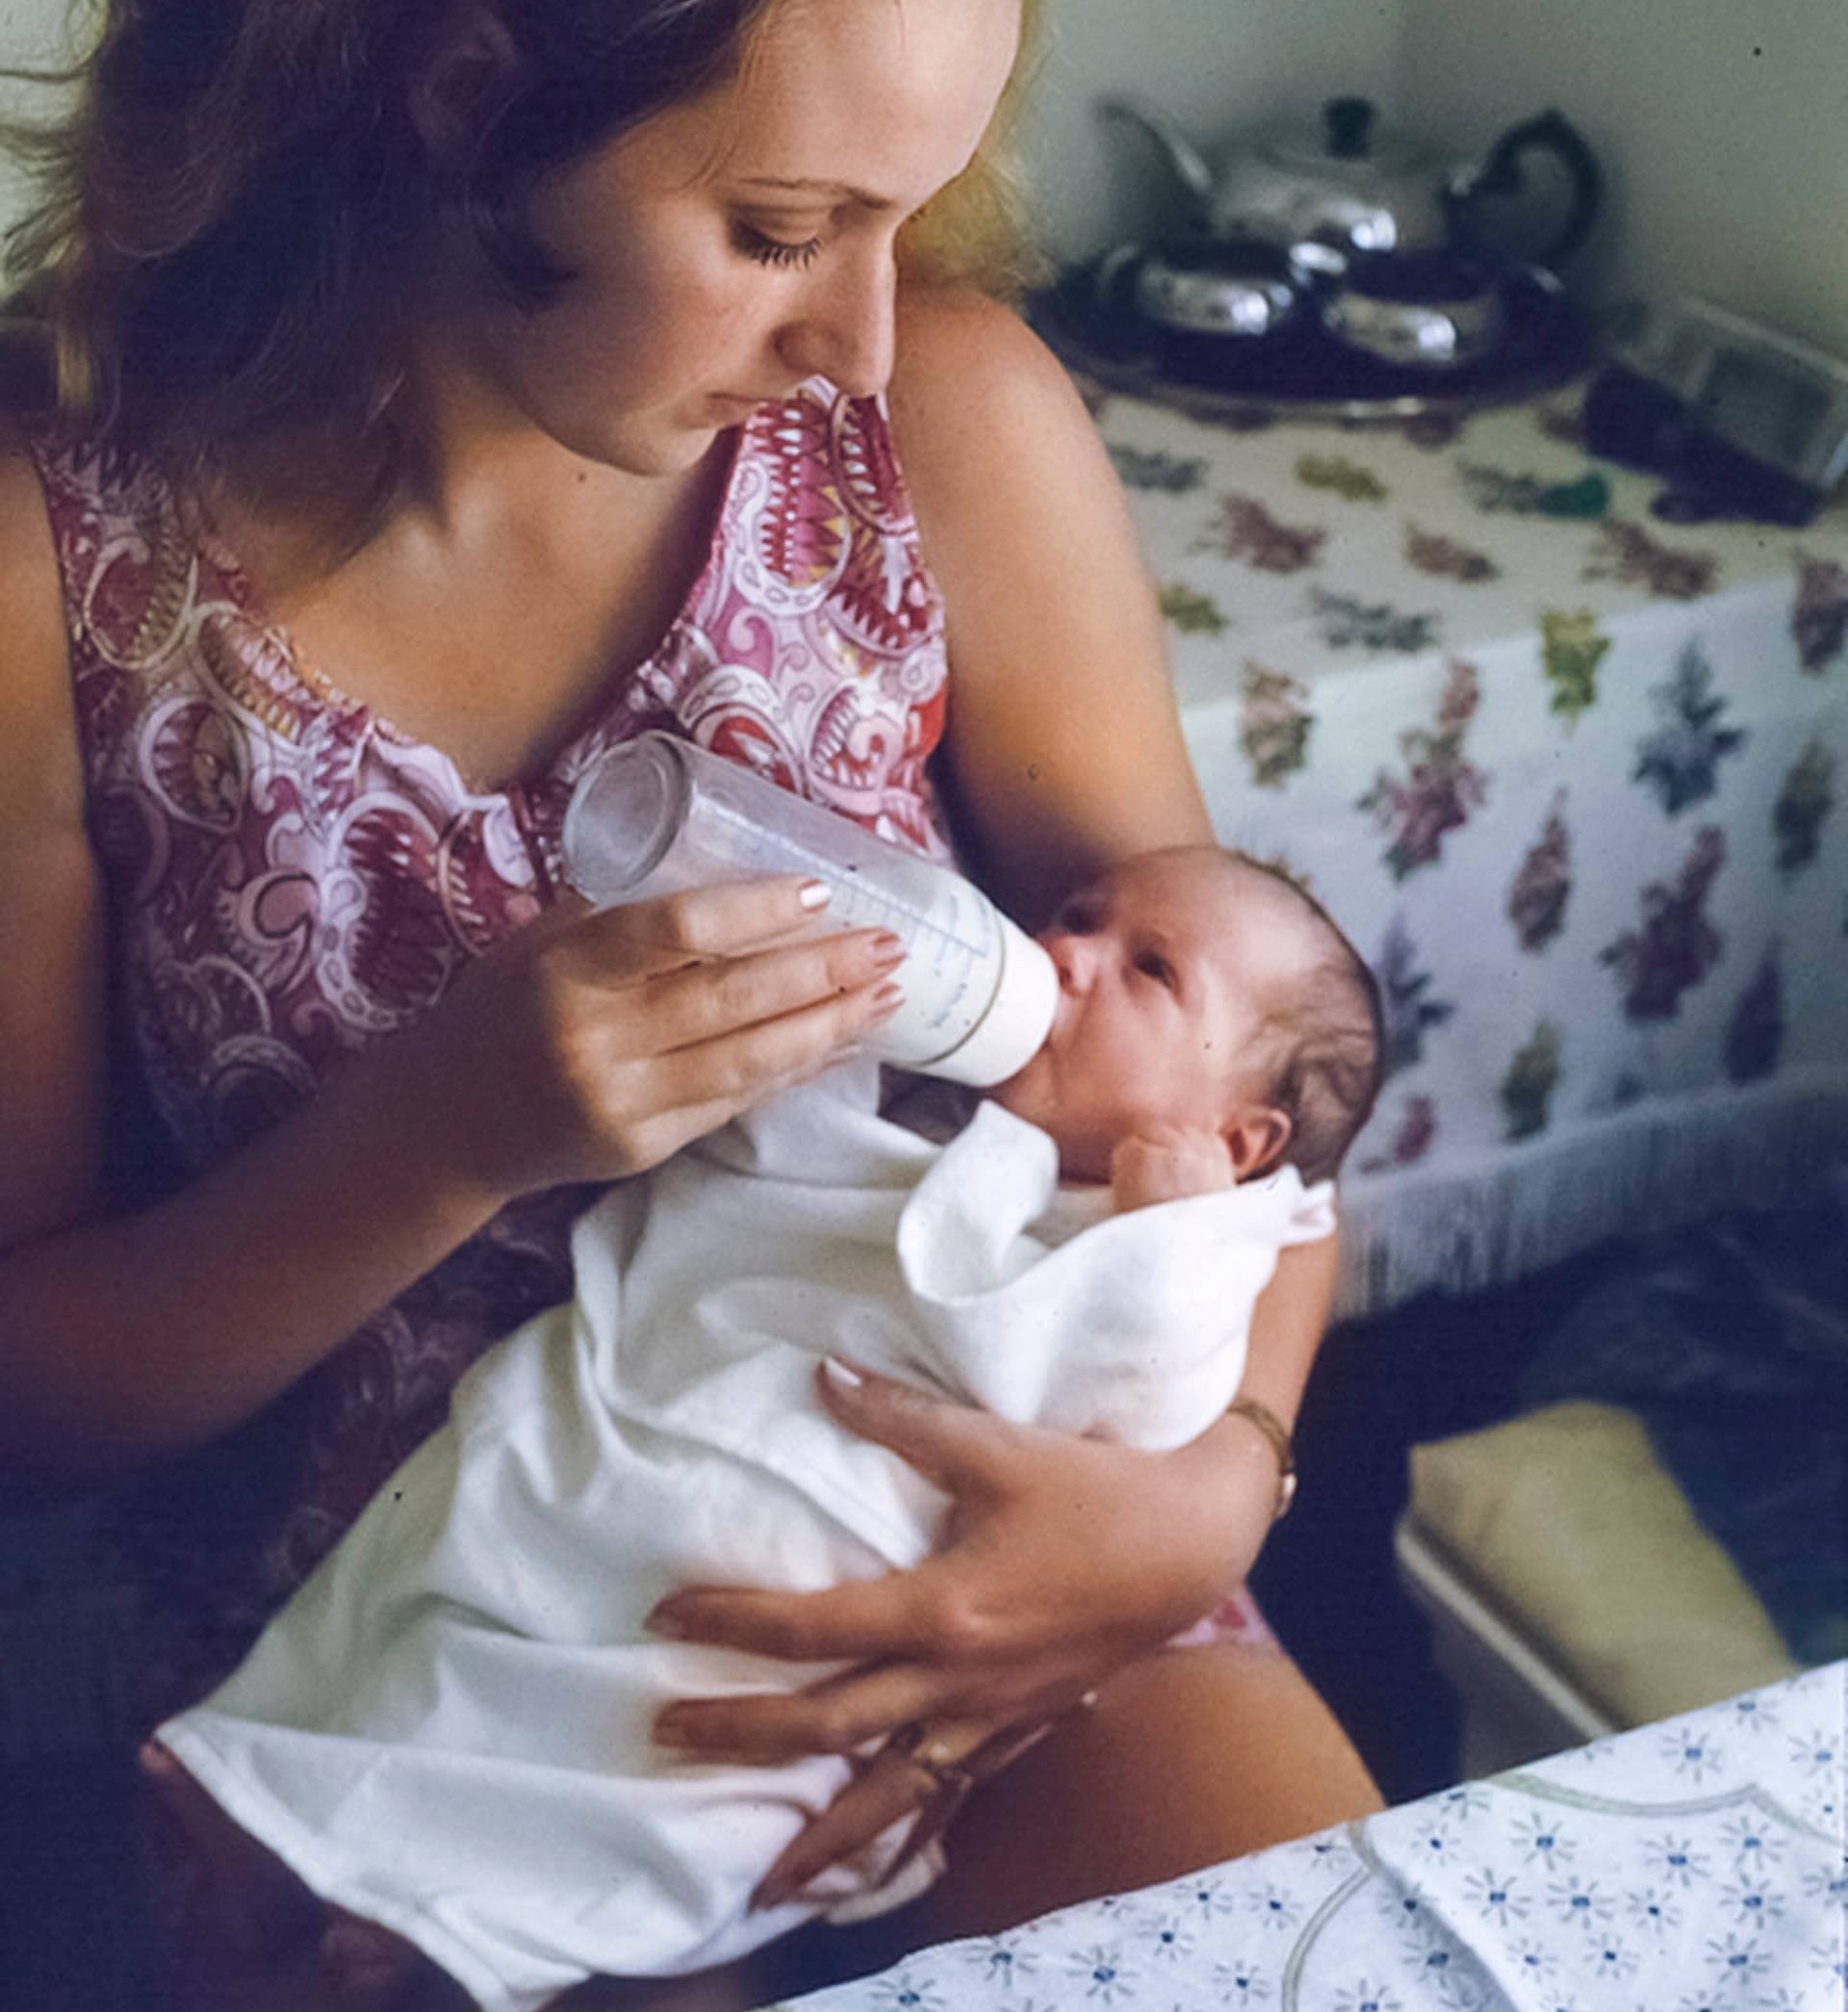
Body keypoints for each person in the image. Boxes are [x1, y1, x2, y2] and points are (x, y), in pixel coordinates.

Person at [0, 0, 1381, 2004]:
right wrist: (439, 1134)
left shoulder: (943, 431)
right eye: (778, 229)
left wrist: (1201, 1495)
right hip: (418, 1669)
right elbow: (32, 1395)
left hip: (966, 1556)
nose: (858, 335)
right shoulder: (61, 563)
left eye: (907, 211)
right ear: (465, 90)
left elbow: (1260, 1089)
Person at [142, 845, 1384, 2011]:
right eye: (1078, 918)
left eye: (1148, 971)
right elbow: (769, 1188)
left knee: (667, 1759)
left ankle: (453, 1927)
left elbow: (1154, 1399)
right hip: (640, 1455)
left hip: (838, 1591)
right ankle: (289, 1808)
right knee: (489, 1596)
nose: (1066, 954)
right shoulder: (930, 1126)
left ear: (1240, 1140)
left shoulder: (1202, 1242)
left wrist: (1169, 1241)